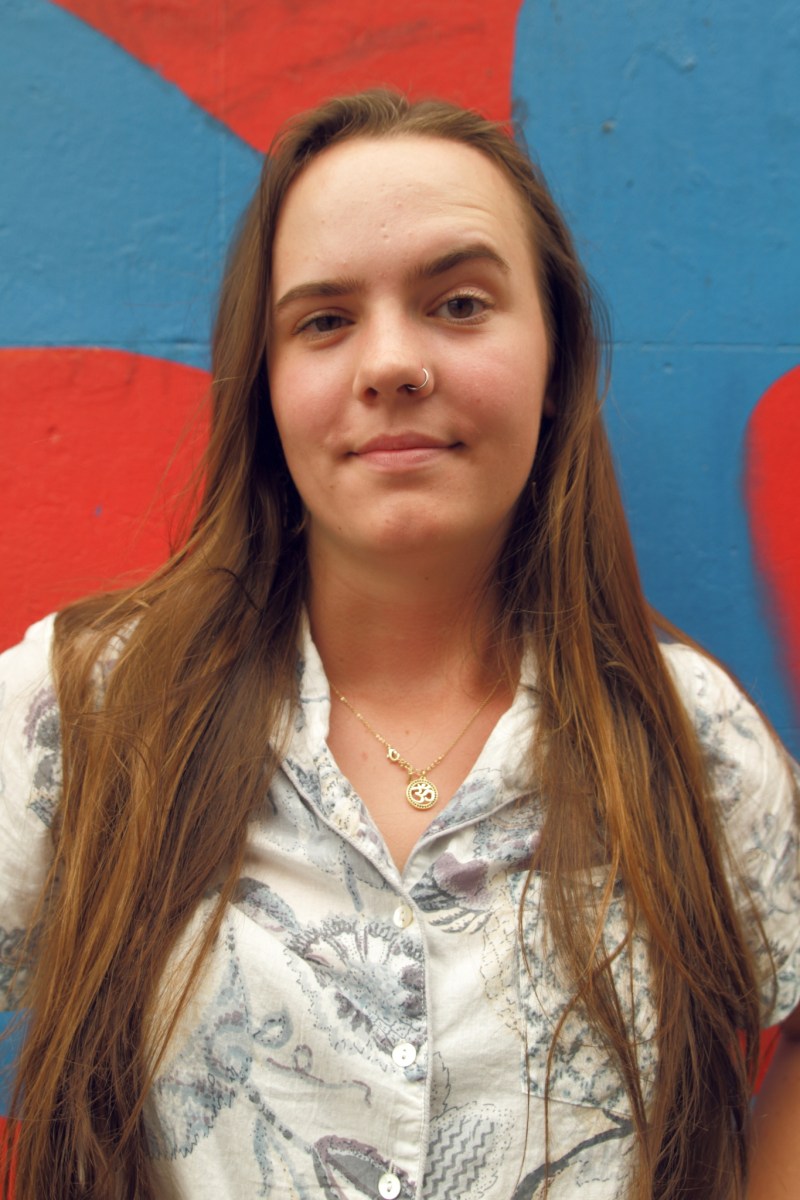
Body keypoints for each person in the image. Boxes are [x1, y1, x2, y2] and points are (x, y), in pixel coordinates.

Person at [0, 89, 798, 1200]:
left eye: (459, 304)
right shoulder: (87, 708)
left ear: (556, 358)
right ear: (268, 384)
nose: (390, 364)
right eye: (324, 321)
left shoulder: (688, 733)